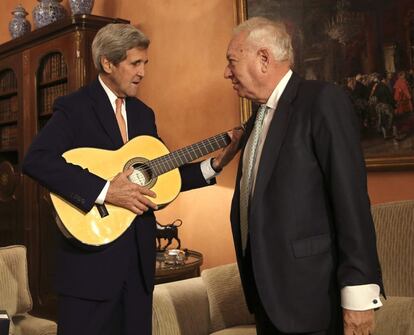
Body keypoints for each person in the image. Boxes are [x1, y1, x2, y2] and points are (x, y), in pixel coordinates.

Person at [22, 23, 239, 335]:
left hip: (137, 268)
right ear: (108, 63)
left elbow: (158, 175)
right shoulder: (75, 107)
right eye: (135, 63)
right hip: (89, 269)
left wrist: (214, 165)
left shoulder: (143, 114)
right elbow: (37, 160)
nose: (142, 72)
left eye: (145, 64)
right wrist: (106, 190)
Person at [221, 17, 384, 335]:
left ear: (264, 58)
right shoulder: (257, 119)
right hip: (268, 303)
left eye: (232, 61)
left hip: (312, 302)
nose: (226, 72)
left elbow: (350, 202)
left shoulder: (322, 101)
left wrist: (359, 295)